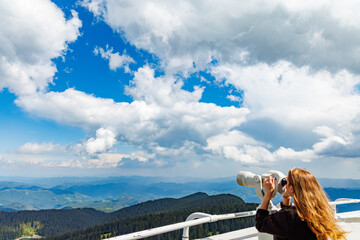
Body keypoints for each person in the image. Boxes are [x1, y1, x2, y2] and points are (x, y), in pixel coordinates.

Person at [255, 168, 347, 240]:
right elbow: (288, 219)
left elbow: (261, 223)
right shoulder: (319, 210)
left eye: (287, 182)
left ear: (291, 189)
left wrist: (268, 194)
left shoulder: (289, 217)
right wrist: (286, 197)